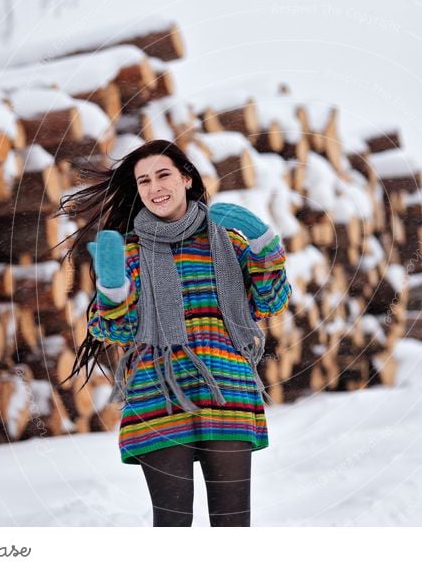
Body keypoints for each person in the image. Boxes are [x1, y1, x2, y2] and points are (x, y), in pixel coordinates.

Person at [58, 139, 292, 527]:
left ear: (186, 179)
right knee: (172, 524)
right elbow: (116, 329)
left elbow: (269, 302)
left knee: (232, 524)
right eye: (144, 180)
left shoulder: (228, 242)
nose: (154, 187)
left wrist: (264, 246)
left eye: (163, 174)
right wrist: (113, 291)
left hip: (226, 386)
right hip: (157, 392)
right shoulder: (129, 253)